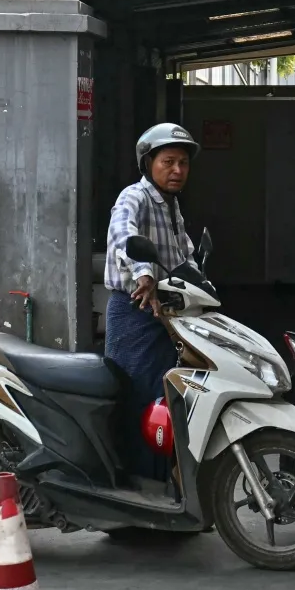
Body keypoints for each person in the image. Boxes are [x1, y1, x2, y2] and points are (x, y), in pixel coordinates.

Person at [102, 123, 202, 479]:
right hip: (136, 314)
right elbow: (123, 233)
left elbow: (184, 257)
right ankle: (135, 487)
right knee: (140, 401)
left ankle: (161, 484)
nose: (177, 170)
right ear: (148, 163)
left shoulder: (171, 207)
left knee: (164, 401)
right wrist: (143, 273)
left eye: (183, 164)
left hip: (164, 316)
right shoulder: (136, 196)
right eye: (168, 162)